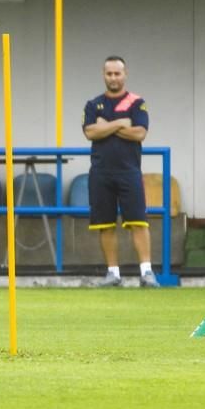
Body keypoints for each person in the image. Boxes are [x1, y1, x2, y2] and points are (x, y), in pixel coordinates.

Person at [82, 56, 159, 288]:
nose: (113, 78)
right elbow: (90, 133)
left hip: (129, 172)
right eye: (109, 74)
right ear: (103, 75)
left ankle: (146, 273)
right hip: (101, 172)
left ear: (125, 74)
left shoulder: (137, 103)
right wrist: (120, 124)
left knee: (138, 222)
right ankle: (113, 274)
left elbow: (139, 133)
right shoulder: (93, 104)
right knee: (105, 224)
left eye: (117, 73)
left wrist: (106, 125)